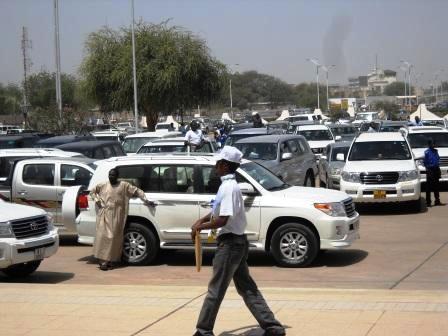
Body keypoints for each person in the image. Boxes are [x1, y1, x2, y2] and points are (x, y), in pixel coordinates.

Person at [191, 146, 285, 336]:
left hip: (230, 245)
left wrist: (199, 228)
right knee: (247, 288)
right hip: (237, 243)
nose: (216, 166)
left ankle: (203, 331)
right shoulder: (229, 186)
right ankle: (272, 327)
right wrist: (202, 220)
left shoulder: (228, 187)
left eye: (218, 163)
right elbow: (219, 210)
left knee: (215, 290)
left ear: (225, 165)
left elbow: (222, 220)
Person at [90, 168, 156, 271]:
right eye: (110, 175)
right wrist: (98, 201)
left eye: (113, 175)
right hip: (104, 213)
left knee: (113, 237)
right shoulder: (103, 185)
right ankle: (103, 261)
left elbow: (137, 191)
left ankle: (111, 260)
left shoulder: (124, 185)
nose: (111, 177)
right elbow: (92, 192)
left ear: (117, 176)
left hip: (117, 215)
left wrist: (146, 200)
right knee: (102, 236)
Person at [424, 139, 443, 207]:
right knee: (428, 187)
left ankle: (437, 200)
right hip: (430, 170)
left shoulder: (436, 151)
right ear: (429, 144)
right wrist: (428, 169)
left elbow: (437, 159)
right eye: (432, 144)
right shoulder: (427, 152)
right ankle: (428, 202)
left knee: (436, 186)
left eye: (434, 143)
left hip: (436, 169)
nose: (434, 145)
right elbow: (425, 162)